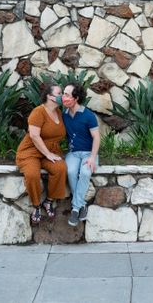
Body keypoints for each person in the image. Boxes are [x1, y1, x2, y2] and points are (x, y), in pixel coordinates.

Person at [16, 83, 67, 224]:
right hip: (31, 151)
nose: (62, 96)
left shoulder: (59, 113)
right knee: (32, 174)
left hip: (51, 151)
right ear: (50, 96)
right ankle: (36, 204)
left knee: (60, 168)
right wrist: (48, 154)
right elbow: (34, 136)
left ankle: (49, 201)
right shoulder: (38, 112)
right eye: (59, 93)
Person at [62, 82, 100, 226]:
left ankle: (75, 208)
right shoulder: (64, 115)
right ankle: (82, 205)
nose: (63, 97)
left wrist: (92, 157)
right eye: (63, 93)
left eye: (67, 94)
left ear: (76, 98)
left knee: (84, 173)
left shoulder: (88, 115)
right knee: (71, 171)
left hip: (89, 153)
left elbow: (96, 137)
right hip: (73, 153)